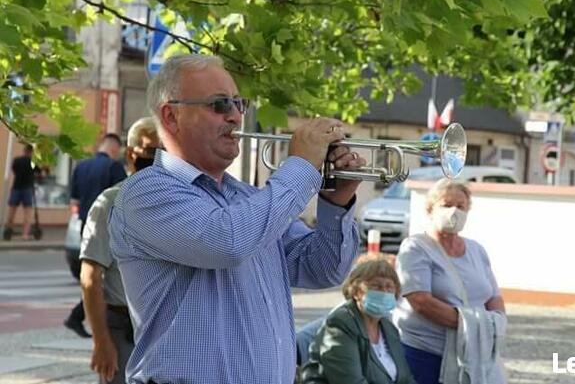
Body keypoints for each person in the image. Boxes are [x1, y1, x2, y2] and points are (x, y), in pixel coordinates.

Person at [108, 54, 366, 384]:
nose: (235, 116)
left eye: (238, 103)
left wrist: (337, 200)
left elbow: (323, 269)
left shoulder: (248, 199)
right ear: (171, 116)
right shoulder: (145, 193)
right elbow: (227, 242)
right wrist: (300, 167)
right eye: (219, 105)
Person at [392, 179, 505, 384]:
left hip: (473, 354)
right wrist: (472, 325)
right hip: (426, 354)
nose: (454, 211)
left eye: (460, 206)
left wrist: (495, 322)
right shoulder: (415, 248)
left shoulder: (477, 250)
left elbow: (494, 297)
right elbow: (420, 301)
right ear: (430, 209)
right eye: (446, 205)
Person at [80, 118, 159, 384]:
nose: (155, 159)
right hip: (121, 329)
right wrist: (101, 341)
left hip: (162, 330)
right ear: (130, 154)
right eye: (148, 151)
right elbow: (90, 278)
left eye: (161, 153)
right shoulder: (109, 204)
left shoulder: (174, 205)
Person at [302, 256, 417, 384]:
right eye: (376, 287)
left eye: (389, 287)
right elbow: (350, 381)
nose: (384, 292)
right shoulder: (340, 325)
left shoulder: (389, 329)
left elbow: (406, 378)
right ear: (356, 292)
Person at [65, 133, 127, 338]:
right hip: (109, 225)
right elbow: (124, 198)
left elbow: (73, 200)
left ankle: (76, 316)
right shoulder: (114, 167)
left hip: (86, 225)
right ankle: (77, 317)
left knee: (92, 273)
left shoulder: (81, 166)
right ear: (114, 150)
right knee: (107, 278)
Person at [3, 144, 39, 241]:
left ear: (24, 151)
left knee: (11, 211)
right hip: (27, 188)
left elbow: (14, 170)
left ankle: (8, 231)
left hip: (16, 187)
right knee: (27, 213)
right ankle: (25, 235)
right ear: (31, 152)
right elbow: (39, 172)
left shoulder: (17, 160)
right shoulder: (33, 162)